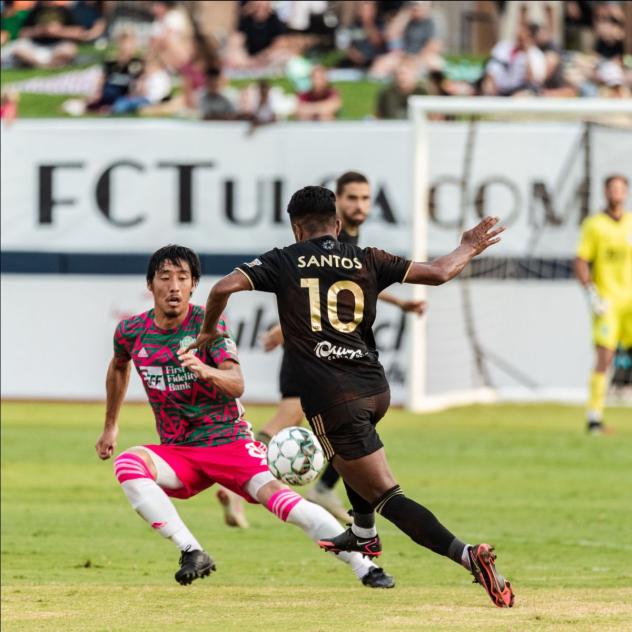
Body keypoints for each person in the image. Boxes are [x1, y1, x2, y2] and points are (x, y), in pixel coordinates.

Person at [189, 187, 515, 608]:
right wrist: (467, 246)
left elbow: (221, 289)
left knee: (387, 495)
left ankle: (469, 557)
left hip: (331, 396)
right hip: (374, 388)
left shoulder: (282, 259)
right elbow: (438, 272)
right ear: (338, 224)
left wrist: (209, 331)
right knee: (353, 461)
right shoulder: (367, 257)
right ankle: (363, 533)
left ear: (295, 227)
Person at [95, 244, 393, 588]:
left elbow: (236, 384)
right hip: (179, 452)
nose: (174, 286)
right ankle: (191, 550)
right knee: (128, 464)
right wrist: (110, 426)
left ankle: (365, 568)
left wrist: (205, 371)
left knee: (287, 506)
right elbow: (119, 366)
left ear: (194, 285)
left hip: (229, 444)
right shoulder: (132, 331)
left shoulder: (206, 324)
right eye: (165, 277)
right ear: (150, 284)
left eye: (183, 278)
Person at [253, 171, 425, 524]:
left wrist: (400, 304)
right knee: (295, 415)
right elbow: (314, 297)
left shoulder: (352, 242)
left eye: (365, 198)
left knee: (337, 426)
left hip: (330, 359)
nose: (359, 205)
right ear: (338, 207)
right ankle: (249, 469)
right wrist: (282, 331)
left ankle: (338, 503)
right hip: (316, 355)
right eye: (352, 198)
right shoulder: (332, 237)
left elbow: (354, 288)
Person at [574, 174, 632, 434]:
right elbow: (581, 261)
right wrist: (591, 294)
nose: (617, 193)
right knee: (605, 357)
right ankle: (594, 417)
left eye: (621, 188)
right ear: (605, 192)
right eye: (612, 189)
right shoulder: (594, 225)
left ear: (626, 193)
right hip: (608, 302)